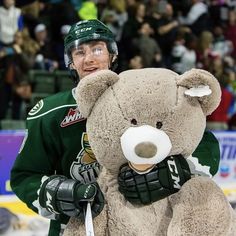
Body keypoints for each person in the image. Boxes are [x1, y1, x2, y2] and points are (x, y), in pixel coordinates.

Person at [10, 19, 220, 236]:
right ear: (70, 62)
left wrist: (178, 170)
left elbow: (203, 144)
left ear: (113, 55)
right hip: (79, 227)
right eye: (79, 52)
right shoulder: (50, 113)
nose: (89, 59)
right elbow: (25, 176)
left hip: (143, 226)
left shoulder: (140, 93)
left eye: (98, 49)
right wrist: (60, 193)